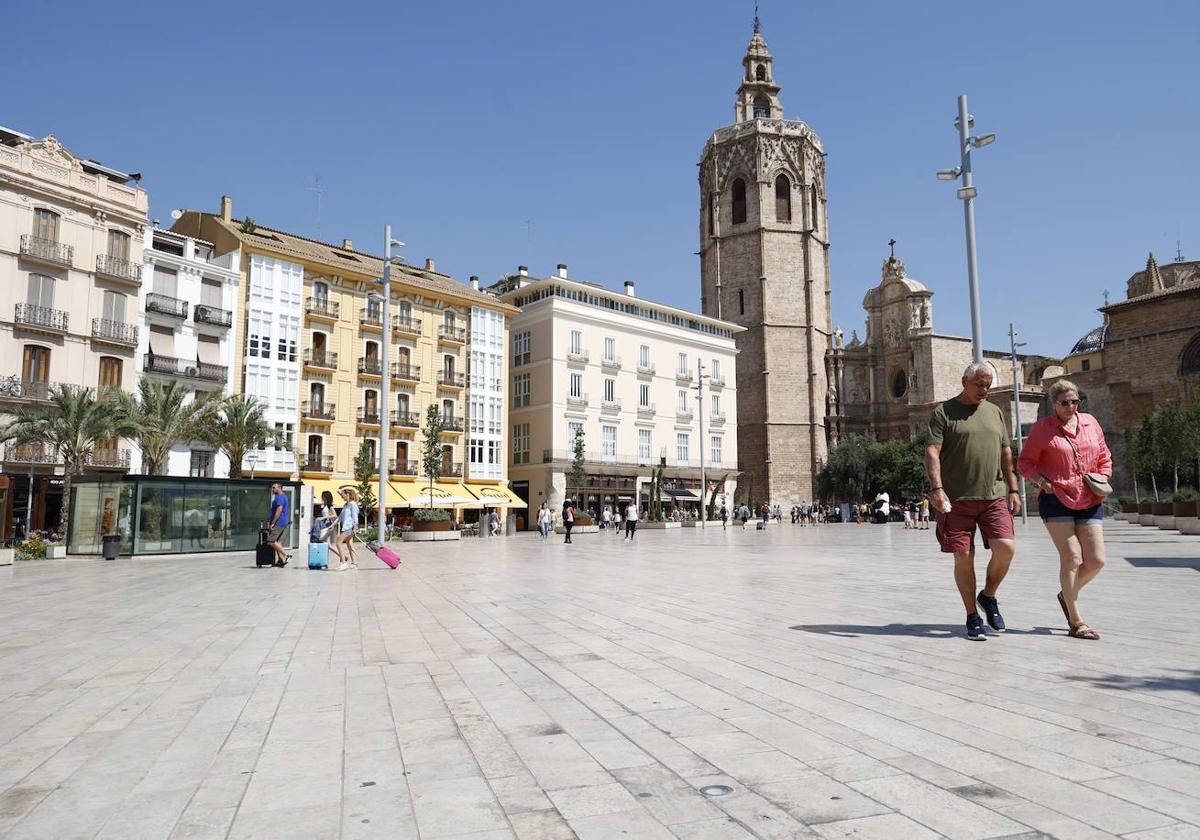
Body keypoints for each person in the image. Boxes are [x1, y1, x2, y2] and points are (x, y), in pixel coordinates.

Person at [926, 362, 1022, 641]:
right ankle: (971, 615)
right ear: (964, 381)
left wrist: (1013, 489)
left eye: (988, 385)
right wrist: (937, 488)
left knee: (1006, 548)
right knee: (964, 557)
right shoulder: (943, 413)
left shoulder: (995, 412)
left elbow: (1006, 454)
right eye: (979, 384)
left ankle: (988, 596)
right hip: (956, 500)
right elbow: (932, 452)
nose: (984, 390)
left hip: (993, 495)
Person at [1018, 380, 1112, 640]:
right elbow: (1025, 463)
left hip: (1089, 496)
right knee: (1070, 557)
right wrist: (1042, 482)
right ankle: (1076, 620)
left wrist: (1103, 476)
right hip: (1056, 497)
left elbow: (1104, 454)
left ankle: (1066, 593)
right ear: (1054, 404)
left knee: (1096, 560)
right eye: (1064, 403)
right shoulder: (1043, 429)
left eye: (1075, 401)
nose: (1071, 406)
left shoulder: (1090, 423)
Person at [266, 483, 291, 568]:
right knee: (278, 542)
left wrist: (273, 522)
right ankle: (281, 561)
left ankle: (286, 555)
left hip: (279, 523)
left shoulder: (280, 497)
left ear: (280, 488)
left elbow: (279, 510)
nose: (272, 489)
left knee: (270, 541)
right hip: (282, 522)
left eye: (274, 488)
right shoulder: (282, 497)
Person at [335, 487, 360, 570]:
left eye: (343, 495)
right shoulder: (346, 505)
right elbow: (340, 517)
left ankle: (343, 563)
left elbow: (355, 516)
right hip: (346, 527)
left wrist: (355, 527)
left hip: (349, 527)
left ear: (348, 495)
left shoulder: (353, 504)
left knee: (338, 542)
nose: (342, 497)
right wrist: (333, 524)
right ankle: (354, 563)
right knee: (350, 545)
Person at [318, 490, 343, 566]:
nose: (321, 498)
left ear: (326, 497)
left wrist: (323, 518)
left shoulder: (330, 506)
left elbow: (335, 516)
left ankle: (342, 556)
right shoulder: (325, 506)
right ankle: (341, 557)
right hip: (326, 525)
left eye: (322, 496)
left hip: (328, 525)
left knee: (326, 544)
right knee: (326, 544)